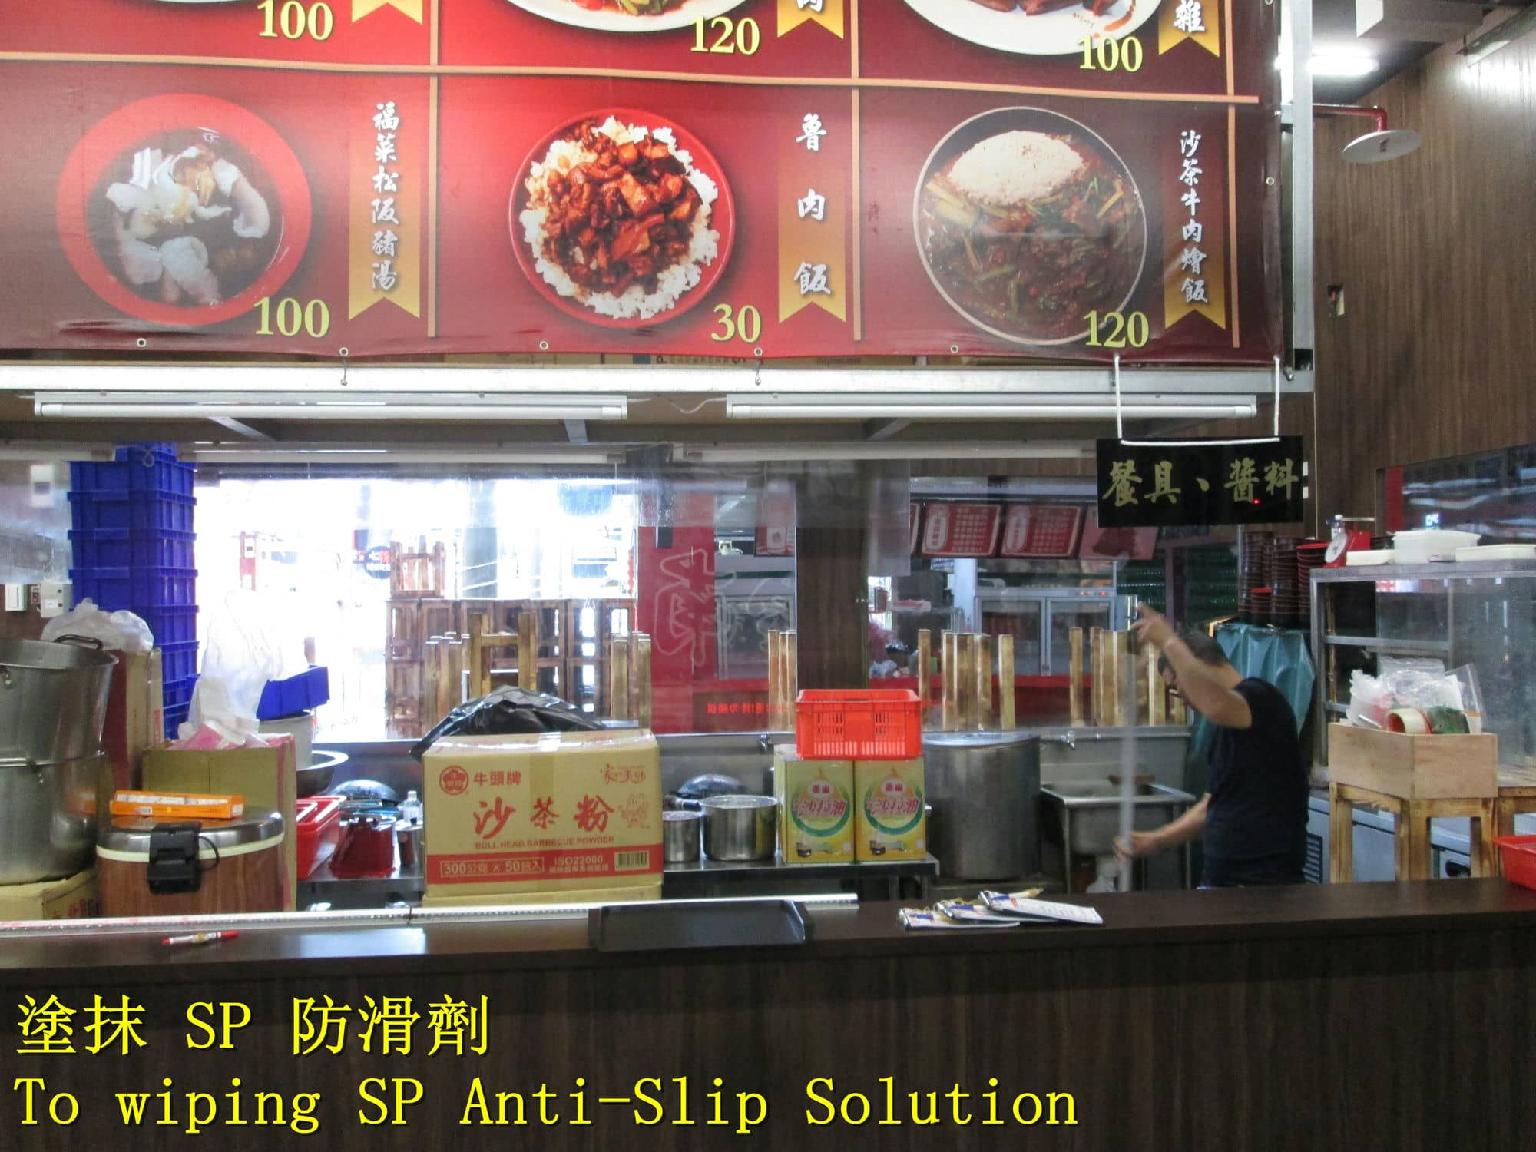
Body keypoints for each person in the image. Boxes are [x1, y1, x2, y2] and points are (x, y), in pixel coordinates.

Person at [1116, 604, 1308, 887]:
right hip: (1224, 881)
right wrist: (1156, 840)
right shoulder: (1229, 726)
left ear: (1197, 665)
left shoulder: (1262, 699)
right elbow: (1213, 805)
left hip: (1264, 885)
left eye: (1176, 685)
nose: (1182, 697)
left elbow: (1215, 703)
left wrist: (1169, 641)